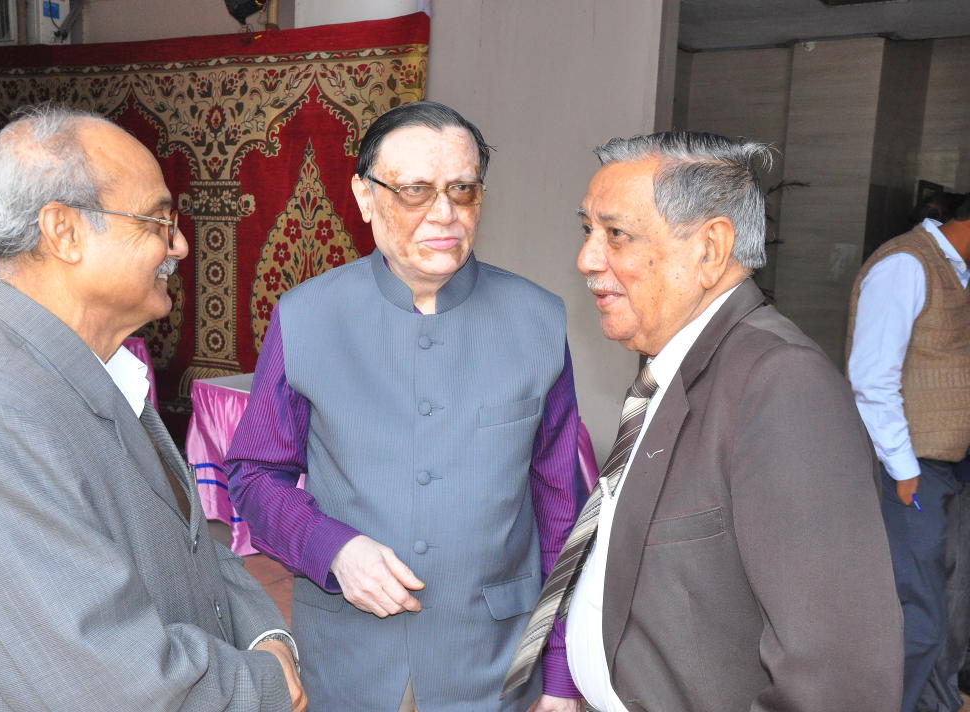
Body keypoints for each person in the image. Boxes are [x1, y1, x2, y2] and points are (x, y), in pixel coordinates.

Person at [0, 104, 305, 711]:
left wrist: (268, 638)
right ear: (63, 232)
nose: (179, 244)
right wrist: (266, 682)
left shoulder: (100, 369)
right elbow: (111, 688)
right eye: (157, 221)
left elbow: (197, 551)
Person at [504, 131, 903, 711]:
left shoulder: (781, 383)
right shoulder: (681, 363)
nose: (586, 259)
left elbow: (839, 678)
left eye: (615, 234)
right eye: (588, 230)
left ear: (711, 248)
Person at [226, 101, 584, 711]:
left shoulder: (538, 321)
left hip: (492, 661)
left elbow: (559, 507)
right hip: (349, 656)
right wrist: (332, 547)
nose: (444, 213)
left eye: (463, 189)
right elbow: (255, 474)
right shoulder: (306, 317)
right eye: (416, 190)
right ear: (364, 197)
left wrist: (561, 673)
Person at [848, 192, 970, 712]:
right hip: (909, 470)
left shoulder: (956, 272)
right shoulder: (906, 264)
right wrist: (903, 471)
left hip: (945, 467)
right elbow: (872, 376)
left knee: (942, 614)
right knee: (915, 617)